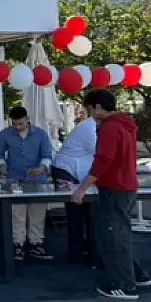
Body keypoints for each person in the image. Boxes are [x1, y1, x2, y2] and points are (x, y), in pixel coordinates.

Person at [70, 89, 146, 299]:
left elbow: (104, 159)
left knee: (113, 236)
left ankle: (125, 284)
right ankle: (137, 274)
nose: (90, 113)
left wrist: (82, 187)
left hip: (115, 187)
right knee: (121, 232)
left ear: (97, 106)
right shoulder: (125, 124)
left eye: (90, 108)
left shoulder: (110, 128)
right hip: (126, 185)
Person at [0, 106, 56, 261]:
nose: (17, 127)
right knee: (17, 215)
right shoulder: (5, 134)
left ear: (28, 119)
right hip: (15, 179)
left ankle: (36, 244)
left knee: (37, 214)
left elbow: (47, 155)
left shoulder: (41, 134)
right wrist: (1, 165)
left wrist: (42, 167)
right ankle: (18, 245)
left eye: (20, 123)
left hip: (37, 179)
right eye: (14, 124)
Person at [53, 107, 99, 264]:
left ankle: (88, 250)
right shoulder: (89, 128)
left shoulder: (93, 126)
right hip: (67, 170)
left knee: (90, 213)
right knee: (77, 213)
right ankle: (78, 254)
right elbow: (101, 153)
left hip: (78, 170)